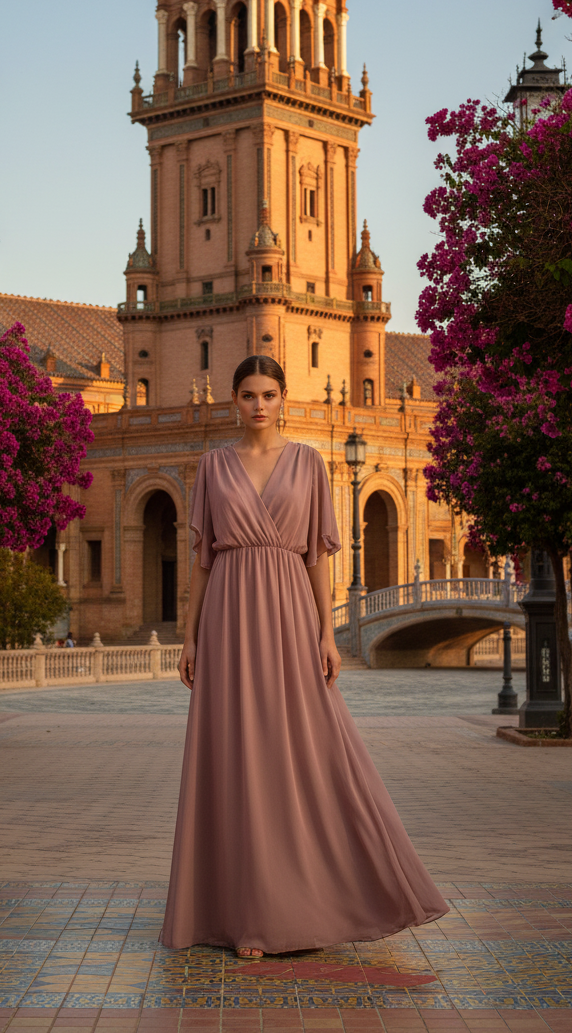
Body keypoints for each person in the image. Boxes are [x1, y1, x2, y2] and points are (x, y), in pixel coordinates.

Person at [160, 355, 448, 958]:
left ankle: (329, 895)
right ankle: (244, 916)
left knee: (310, 750)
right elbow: (203, 559)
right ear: (233, 401)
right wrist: (189, 636)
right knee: (235, 754)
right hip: (228, 620)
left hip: (291, 616)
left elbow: (318, 557)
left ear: (284, 399)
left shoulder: (310, 464)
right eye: (247, 395)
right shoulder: (212, 467)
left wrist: (324, 633)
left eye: (268, 394)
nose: (258, 404)